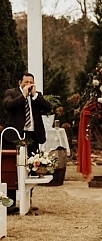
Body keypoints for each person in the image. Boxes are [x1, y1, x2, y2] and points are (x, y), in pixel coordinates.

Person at [2, 73, 52, 213]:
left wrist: (35, 95)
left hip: (32, 135)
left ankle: (27, 201)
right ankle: (10, 203)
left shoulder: (36, 95)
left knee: (31, 167)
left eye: (31, 82)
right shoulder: (11, 93)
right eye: (26, 82)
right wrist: (23, 96)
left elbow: (48, 108)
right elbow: (8, 106)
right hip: (15, 135)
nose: (28, 84)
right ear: (20, 82)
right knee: (12, 168)